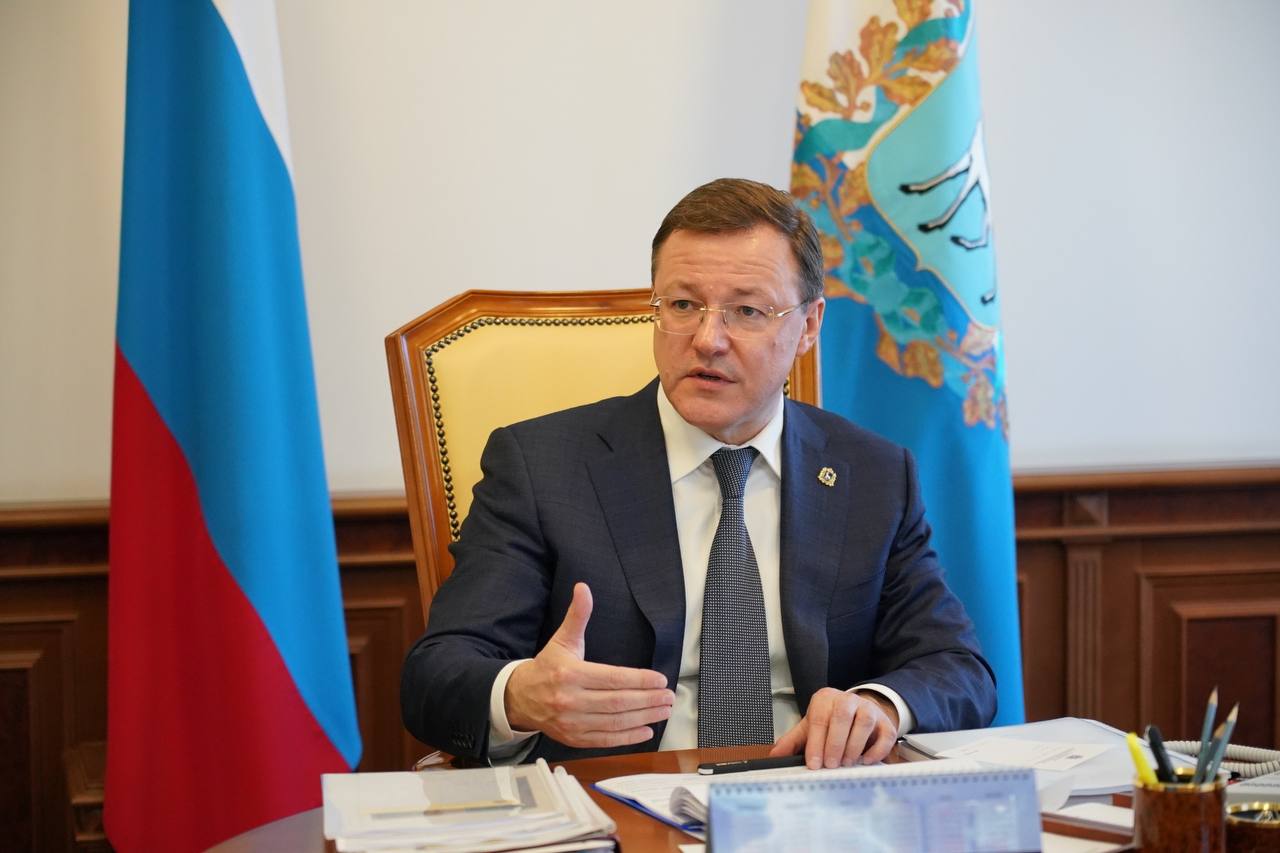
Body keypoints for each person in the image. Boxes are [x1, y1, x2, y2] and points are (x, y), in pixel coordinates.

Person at [400, 178, 996, 768]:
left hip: (810, 793)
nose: (708, 340)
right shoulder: (543, 466)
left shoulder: (872, 473)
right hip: (615, 795)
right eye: (683, 305)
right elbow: (437, 674)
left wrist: (877, 706)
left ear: (809, 326)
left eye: (748, 311)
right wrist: (520, 695)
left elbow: (956, 666)